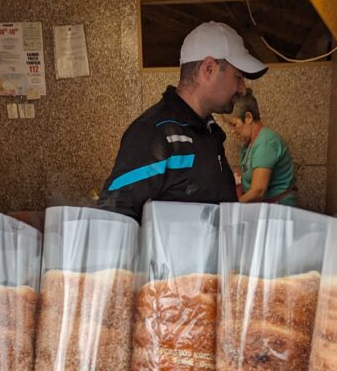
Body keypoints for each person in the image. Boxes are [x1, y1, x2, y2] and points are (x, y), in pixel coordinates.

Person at [98, 22, 268, 222]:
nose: (241, 88)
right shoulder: (155, 133)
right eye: (238, 77)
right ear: (209, 69)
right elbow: (114, 213)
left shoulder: (208, 132)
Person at [226, 90, 297, 206]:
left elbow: (258, 191)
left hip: (278, 209)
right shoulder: (249, 144)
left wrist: (234, 207)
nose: (232, 131)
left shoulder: (266, 142)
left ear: (248, 117)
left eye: (234, 125)